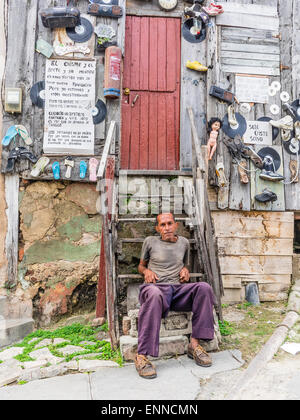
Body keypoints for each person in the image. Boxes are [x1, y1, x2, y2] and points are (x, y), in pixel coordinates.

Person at [135, 213, 216, 379]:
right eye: (162, 225)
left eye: (169, 224)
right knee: (155, 293)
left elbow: (183, 264)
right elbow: (140, 266)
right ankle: (142, 356)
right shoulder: (150, 241)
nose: (166, 228)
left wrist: (185, 270)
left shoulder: (184, 243)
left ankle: (194, 345)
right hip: (154, 289)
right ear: (158, 228)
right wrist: (147, 271)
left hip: (177, 291)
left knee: (204, 288)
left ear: (176, 225)